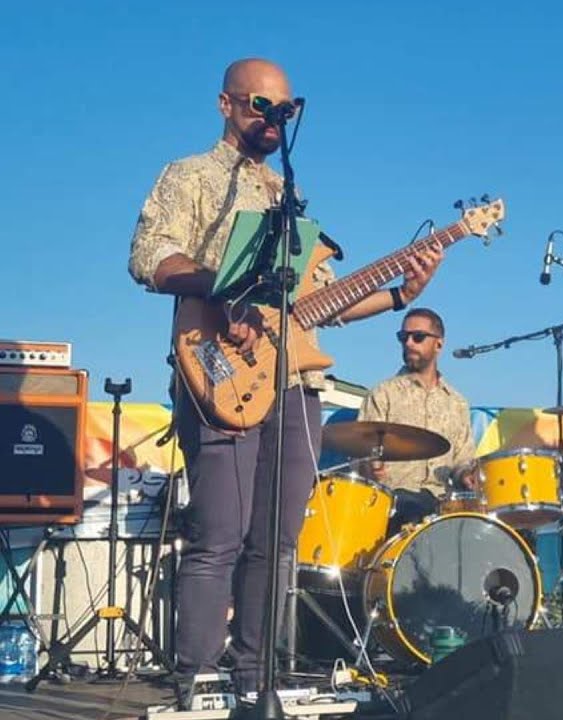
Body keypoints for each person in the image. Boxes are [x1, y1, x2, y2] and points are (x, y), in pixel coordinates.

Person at [127, 58, 443, 702]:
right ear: (225, 104)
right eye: (258, 106)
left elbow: (319, 301)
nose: (272, 120)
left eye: (283, 110)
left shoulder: (287, 196)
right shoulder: (190, 176)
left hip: (294, 382)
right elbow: (151, 256)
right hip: (216, 367)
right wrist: (224, 295)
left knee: (278, 540)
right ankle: (195, 677)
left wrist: (396, 294)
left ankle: (254, 677)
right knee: (219, 532)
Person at [357, 307, 478, 529]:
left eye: (418, 337)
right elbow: (361, 453)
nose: (409, 343)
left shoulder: (457, 402)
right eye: (403, 337)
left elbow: (463, 460)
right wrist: (370, 467)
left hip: (442, 505)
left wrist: (467, 475)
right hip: (394, 502)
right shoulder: (383, 394)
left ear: (439, 344)